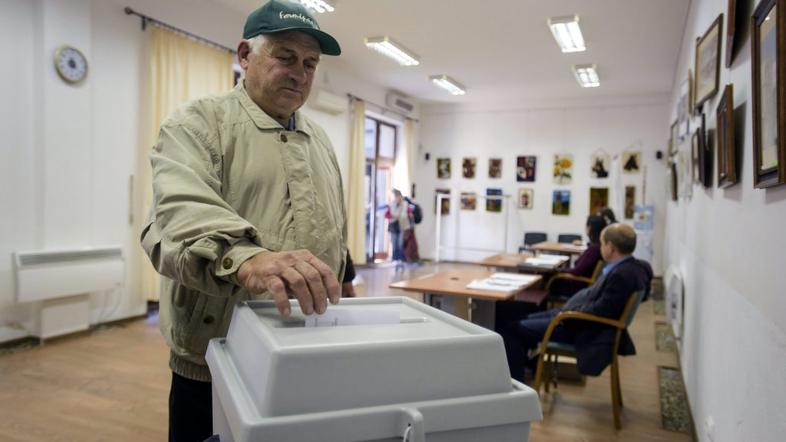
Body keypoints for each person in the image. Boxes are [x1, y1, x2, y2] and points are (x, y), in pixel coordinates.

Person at [140, 2, 350, 440]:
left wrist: (344, 282)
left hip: (305, 349)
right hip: (216, 358)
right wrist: (248, 259)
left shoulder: (320, 140)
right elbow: (177, 219)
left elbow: (334, 225)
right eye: (285, 57)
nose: (299, 74)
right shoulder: (198, 124)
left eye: (310, 64)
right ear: (245, 55)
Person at [501, 223, 653, 382]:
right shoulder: (630, 268)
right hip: (576, 319)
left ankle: (516, 382)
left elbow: (601, 310)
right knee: (523, 318)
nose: (600, 248)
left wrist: (566, 315)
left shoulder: (621, 275)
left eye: (602, 244)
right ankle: (530, 366)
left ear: (611, 247)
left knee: (514, 329)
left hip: (582, 329)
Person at [547, 215, 606, 299]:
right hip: (582, 284)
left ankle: (536, 303)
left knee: (545, 276)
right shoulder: (600, 246)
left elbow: (577, 271)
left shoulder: (593, 250)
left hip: (576, 286)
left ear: (589, 228)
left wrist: (559, 270)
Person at [386, 189, 410, 265]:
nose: (398, 198)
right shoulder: (391, 204)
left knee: (400, 243)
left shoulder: (405, 204)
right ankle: (394, 259)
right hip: (393, 226)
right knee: (394, 243)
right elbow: (388, 214)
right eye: (396, 197)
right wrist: (395, 215)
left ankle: (400, 259)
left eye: (399, 197)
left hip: (402, 226)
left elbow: (404, 215)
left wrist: (397, 215)